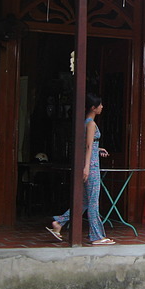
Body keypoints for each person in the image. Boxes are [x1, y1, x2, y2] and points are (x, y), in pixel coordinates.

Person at [46, 93, 115, 245]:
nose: (102, 107)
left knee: (83, 201)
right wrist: (87, 167)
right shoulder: (91, 124)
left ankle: (59, 223)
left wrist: (98, 148)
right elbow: (89, 146)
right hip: (92, 166)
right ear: (93, 107)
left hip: (90, 163)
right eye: (100, 105)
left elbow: (90, 145)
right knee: (92, 202)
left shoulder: (86, 123)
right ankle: (96, 236)